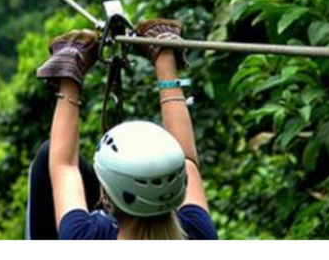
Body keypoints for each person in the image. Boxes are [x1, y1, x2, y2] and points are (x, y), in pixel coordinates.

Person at [25, 19, 218, 240]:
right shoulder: (196, 234)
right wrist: (165, 59)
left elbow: (63, 165)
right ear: (178, 187)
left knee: (45, 157)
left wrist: (70, 70)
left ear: (104, 196)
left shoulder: (85, 236)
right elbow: (188, 161)